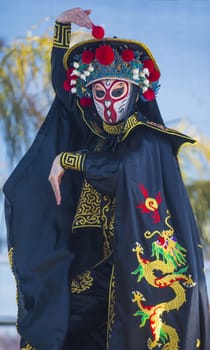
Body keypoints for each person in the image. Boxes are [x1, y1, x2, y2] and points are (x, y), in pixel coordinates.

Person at [3, 7, 209, 350]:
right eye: (99, 94)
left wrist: (70, 159)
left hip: (127, 268)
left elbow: (121, 171)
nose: (108, 105)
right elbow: (64, 92)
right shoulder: (95, 133)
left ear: (135, 91)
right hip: (88, 261)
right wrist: (62, 30)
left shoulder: (147, 137)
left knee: (56, 322)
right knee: (55, 320)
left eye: (117, 92)